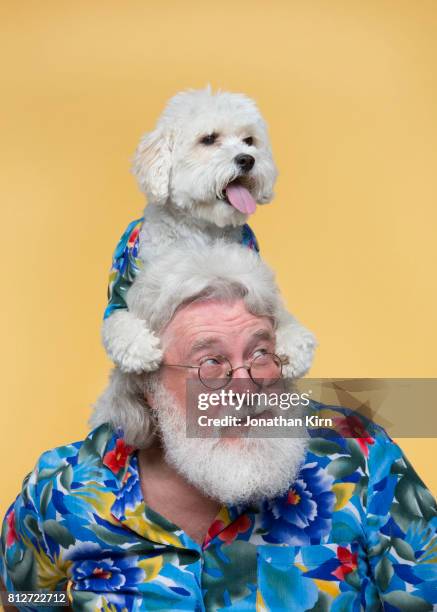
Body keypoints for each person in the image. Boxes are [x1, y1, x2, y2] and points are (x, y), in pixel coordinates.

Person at [1, 243, 436, 611]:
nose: (247, 385)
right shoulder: (64, 486)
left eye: (261, 352)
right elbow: (21, 598)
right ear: (148, 386)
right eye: (211, 362)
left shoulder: (358, 457)